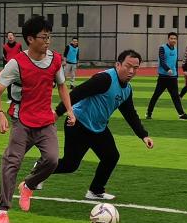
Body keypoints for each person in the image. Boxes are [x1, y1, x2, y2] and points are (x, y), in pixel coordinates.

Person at [0, 15, 74, 223]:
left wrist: (70, 111)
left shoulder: (55, 60)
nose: (48, 41)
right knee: (12, 163)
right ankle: (2, 211)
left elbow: (62, 86)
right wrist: (0, 114)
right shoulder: (16, 63)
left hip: (45, 121)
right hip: (22, 121)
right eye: (43, 37)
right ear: (30, 39)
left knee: (52, 160)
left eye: (49, 37)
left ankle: (28, 186)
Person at [48, 49, 154, 200]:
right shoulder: (105, 79)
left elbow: (130, 114)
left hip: (98, 128)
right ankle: (40, 168)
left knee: (111, 156)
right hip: (78, 124)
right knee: (70, 165)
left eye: (135, 68)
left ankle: (95, 191)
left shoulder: (127, 90)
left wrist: (143, 135)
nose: (131, 71)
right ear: (118, 65)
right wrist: (58, 112)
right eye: (128, 66)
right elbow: (77, 93)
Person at [146, 32, 187, 120]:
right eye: (171, 38)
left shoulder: (175, 49)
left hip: (173, 78)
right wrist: (167, 69)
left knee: (176, 97)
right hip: (163, 77)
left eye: (175, 39)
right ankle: (149, 113)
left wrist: (176, 74)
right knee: (156, 95)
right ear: (168, 39)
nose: (173, 40)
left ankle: (181, 114)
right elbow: (162, 61)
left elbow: (175, 63)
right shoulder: (162, 48)